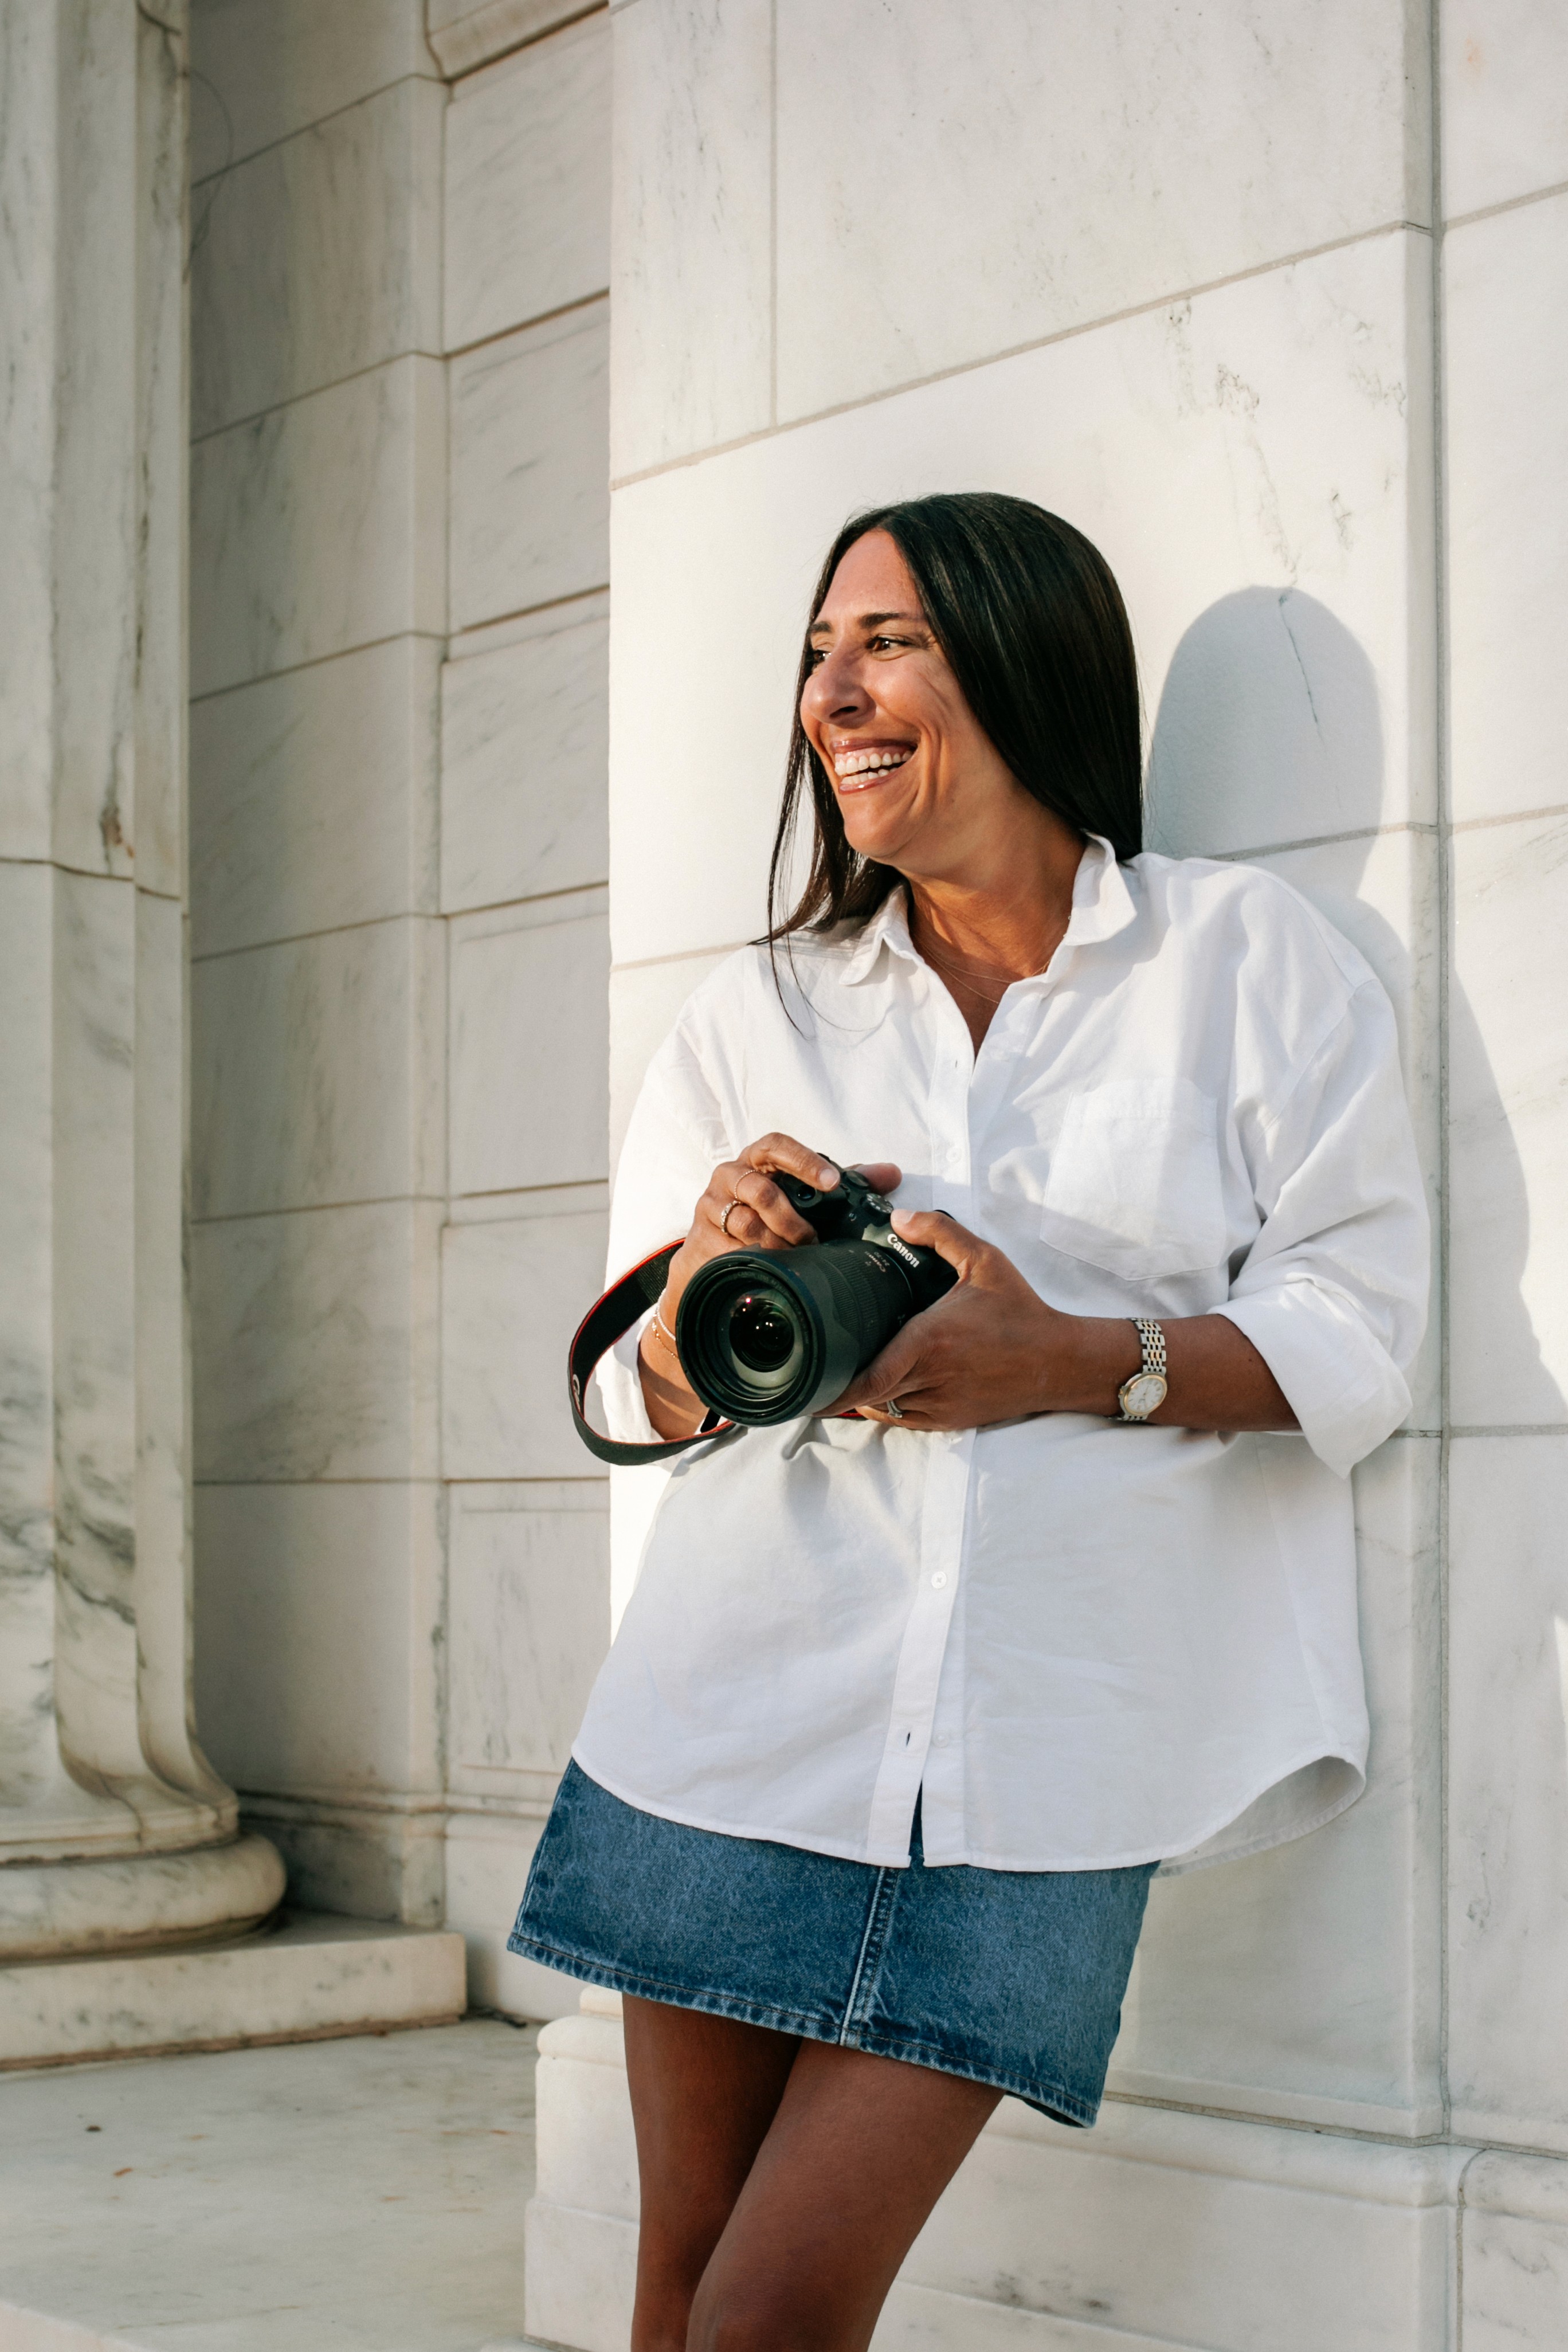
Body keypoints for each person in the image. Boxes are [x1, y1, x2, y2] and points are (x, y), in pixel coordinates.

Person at [509, 492, 1429, 2352]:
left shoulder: (1244, 964)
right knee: (679, 2292)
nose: (829, 694)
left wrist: (1062, 1355)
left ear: (1018, 653)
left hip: (1053, 1765)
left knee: (776, 2310)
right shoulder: (757, 1010)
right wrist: (708, 1290)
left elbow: (1362, 1327)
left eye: (887, 644)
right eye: (815, 655)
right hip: (735, 1724)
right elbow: (641, 1389)